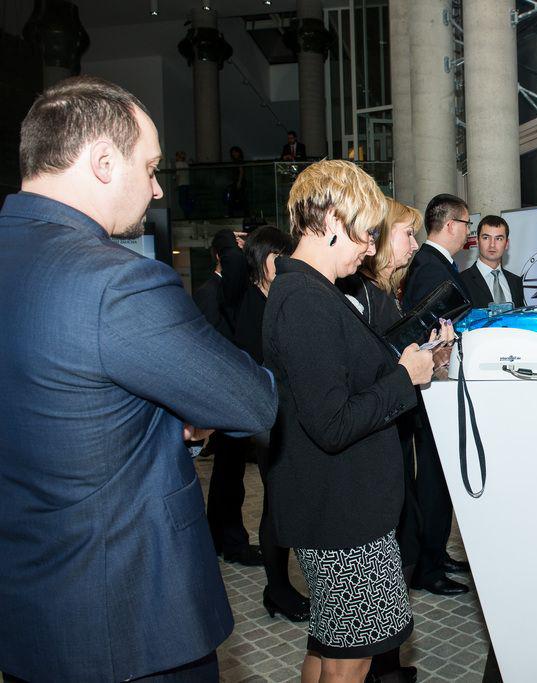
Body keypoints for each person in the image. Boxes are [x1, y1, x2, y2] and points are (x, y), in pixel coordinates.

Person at [0, 76, 278, 682]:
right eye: (150, 168)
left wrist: (154, 414)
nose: (157, 188)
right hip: (128, 627)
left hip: (28, 622)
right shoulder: (117, 281)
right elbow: (252, 402)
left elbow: (63, 403)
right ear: (103, 162)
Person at [263, 160, 435, 683]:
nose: (370, 247)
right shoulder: (306, 301)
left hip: (339, 509)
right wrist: (404, 378)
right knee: (350, 661)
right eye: (367, 232)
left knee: (331, 647)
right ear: (334, 220)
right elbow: (332, 423)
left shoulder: (312, 292)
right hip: (341, 517)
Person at [342, 198, 452, 683]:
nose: (414, 244)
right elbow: (370, 381)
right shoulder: (360, 297)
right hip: (367, 458)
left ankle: (386, 668)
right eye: (407, 234)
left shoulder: (380, 295)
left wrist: (430, 356)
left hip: (387, 446)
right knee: (353, 623)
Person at [232, 225, 311, 622]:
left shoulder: (280, 298)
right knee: (277, 504)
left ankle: (277, 588)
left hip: (285, 415)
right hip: (266, 418)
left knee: (280, 503)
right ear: (261, 260)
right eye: (278, 257)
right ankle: (277, 589)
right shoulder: (252, 303)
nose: (284, 264)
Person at [401, 193, 474, 596]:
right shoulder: (430, 266)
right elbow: (428, 331)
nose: (469, 232)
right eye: (467, 224)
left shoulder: (436, 263)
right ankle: (427, 568)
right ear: (451, 225)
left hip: (436, 382)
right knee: (431, 477)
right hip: (430, 386)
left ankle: (436, 552)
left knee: (438, 476)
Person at [194, 228, 263, 566]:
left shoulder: (232, 289)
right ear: (222, 255)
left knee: (228, 473)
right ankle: (231, 542)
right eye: (234, 250)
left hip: (233, 391)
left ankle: (221, 538)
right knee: (228, 474)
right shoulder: (210, 291)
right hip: (223, 392)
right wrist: (225, 237)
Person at [459, 214, 526, 308]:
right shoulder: (461, 281)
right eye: (486, 238)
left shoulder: (516, 282)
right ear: (477, 241)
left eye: (498, 239)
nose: (492, 245)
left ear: (506, 244)